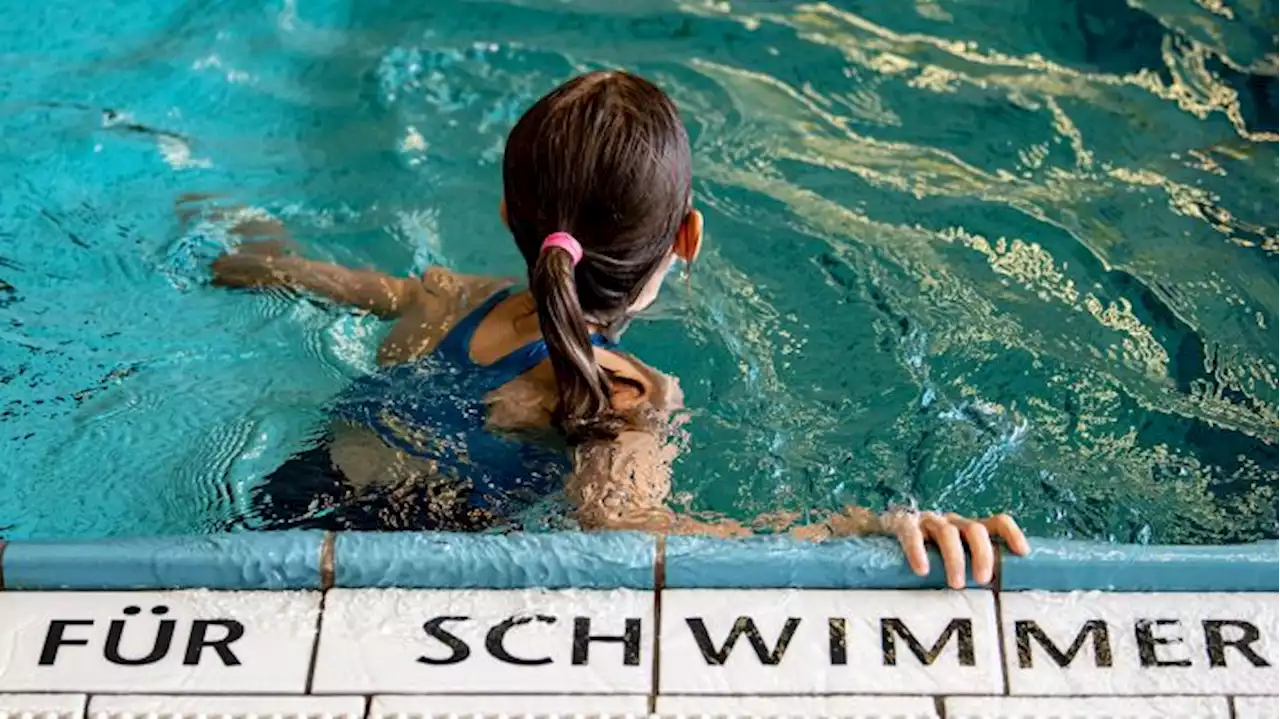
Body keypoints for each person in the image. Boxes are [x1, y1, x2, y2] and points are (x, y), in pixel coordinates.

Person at [205, 70, 1029, 588]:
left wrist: (247, 241)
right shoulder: (627, 394)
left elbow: (281, 272)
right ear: (687, 238)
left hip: (275, 506)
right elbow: (639, 539)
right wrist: (870, 528)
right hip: (398, 576)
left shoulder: (444, 297)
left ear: (508, 216)